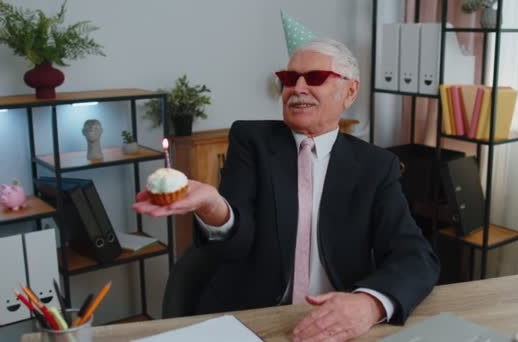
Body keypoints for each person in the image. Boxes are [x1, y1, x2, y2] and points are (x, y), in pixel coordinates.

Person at [133, 38, 439, 341]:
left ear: (350, 91)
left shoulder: (376, 165)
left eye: (315, 78)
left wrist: (370, 305)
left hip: (334, 323)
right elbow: (237, 242)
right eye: (289, 78)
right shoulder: (251, 141)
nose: (298, 88)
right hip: (253, 318)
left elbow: (415, 255)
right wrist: (214, 206)